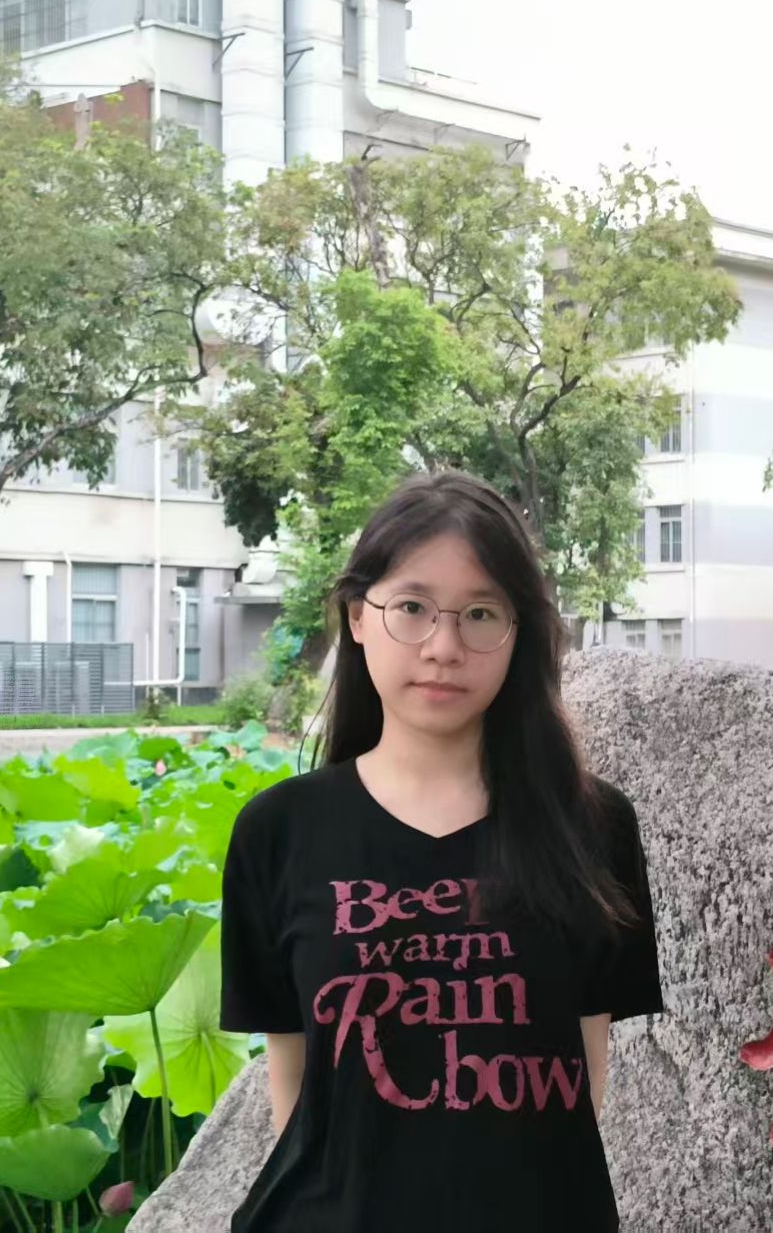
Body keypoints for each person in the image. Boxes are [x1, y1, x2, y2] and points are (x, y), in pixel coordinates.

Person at [219, 468, 665, 1231]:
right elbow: (292, 1089)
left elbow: (585, 1075)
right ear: (358, 618)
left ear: (519, 633)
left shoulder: (593, 827)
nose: (444, 647)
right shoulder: (278, 831)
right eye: (412, 608)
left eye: (481, 613)